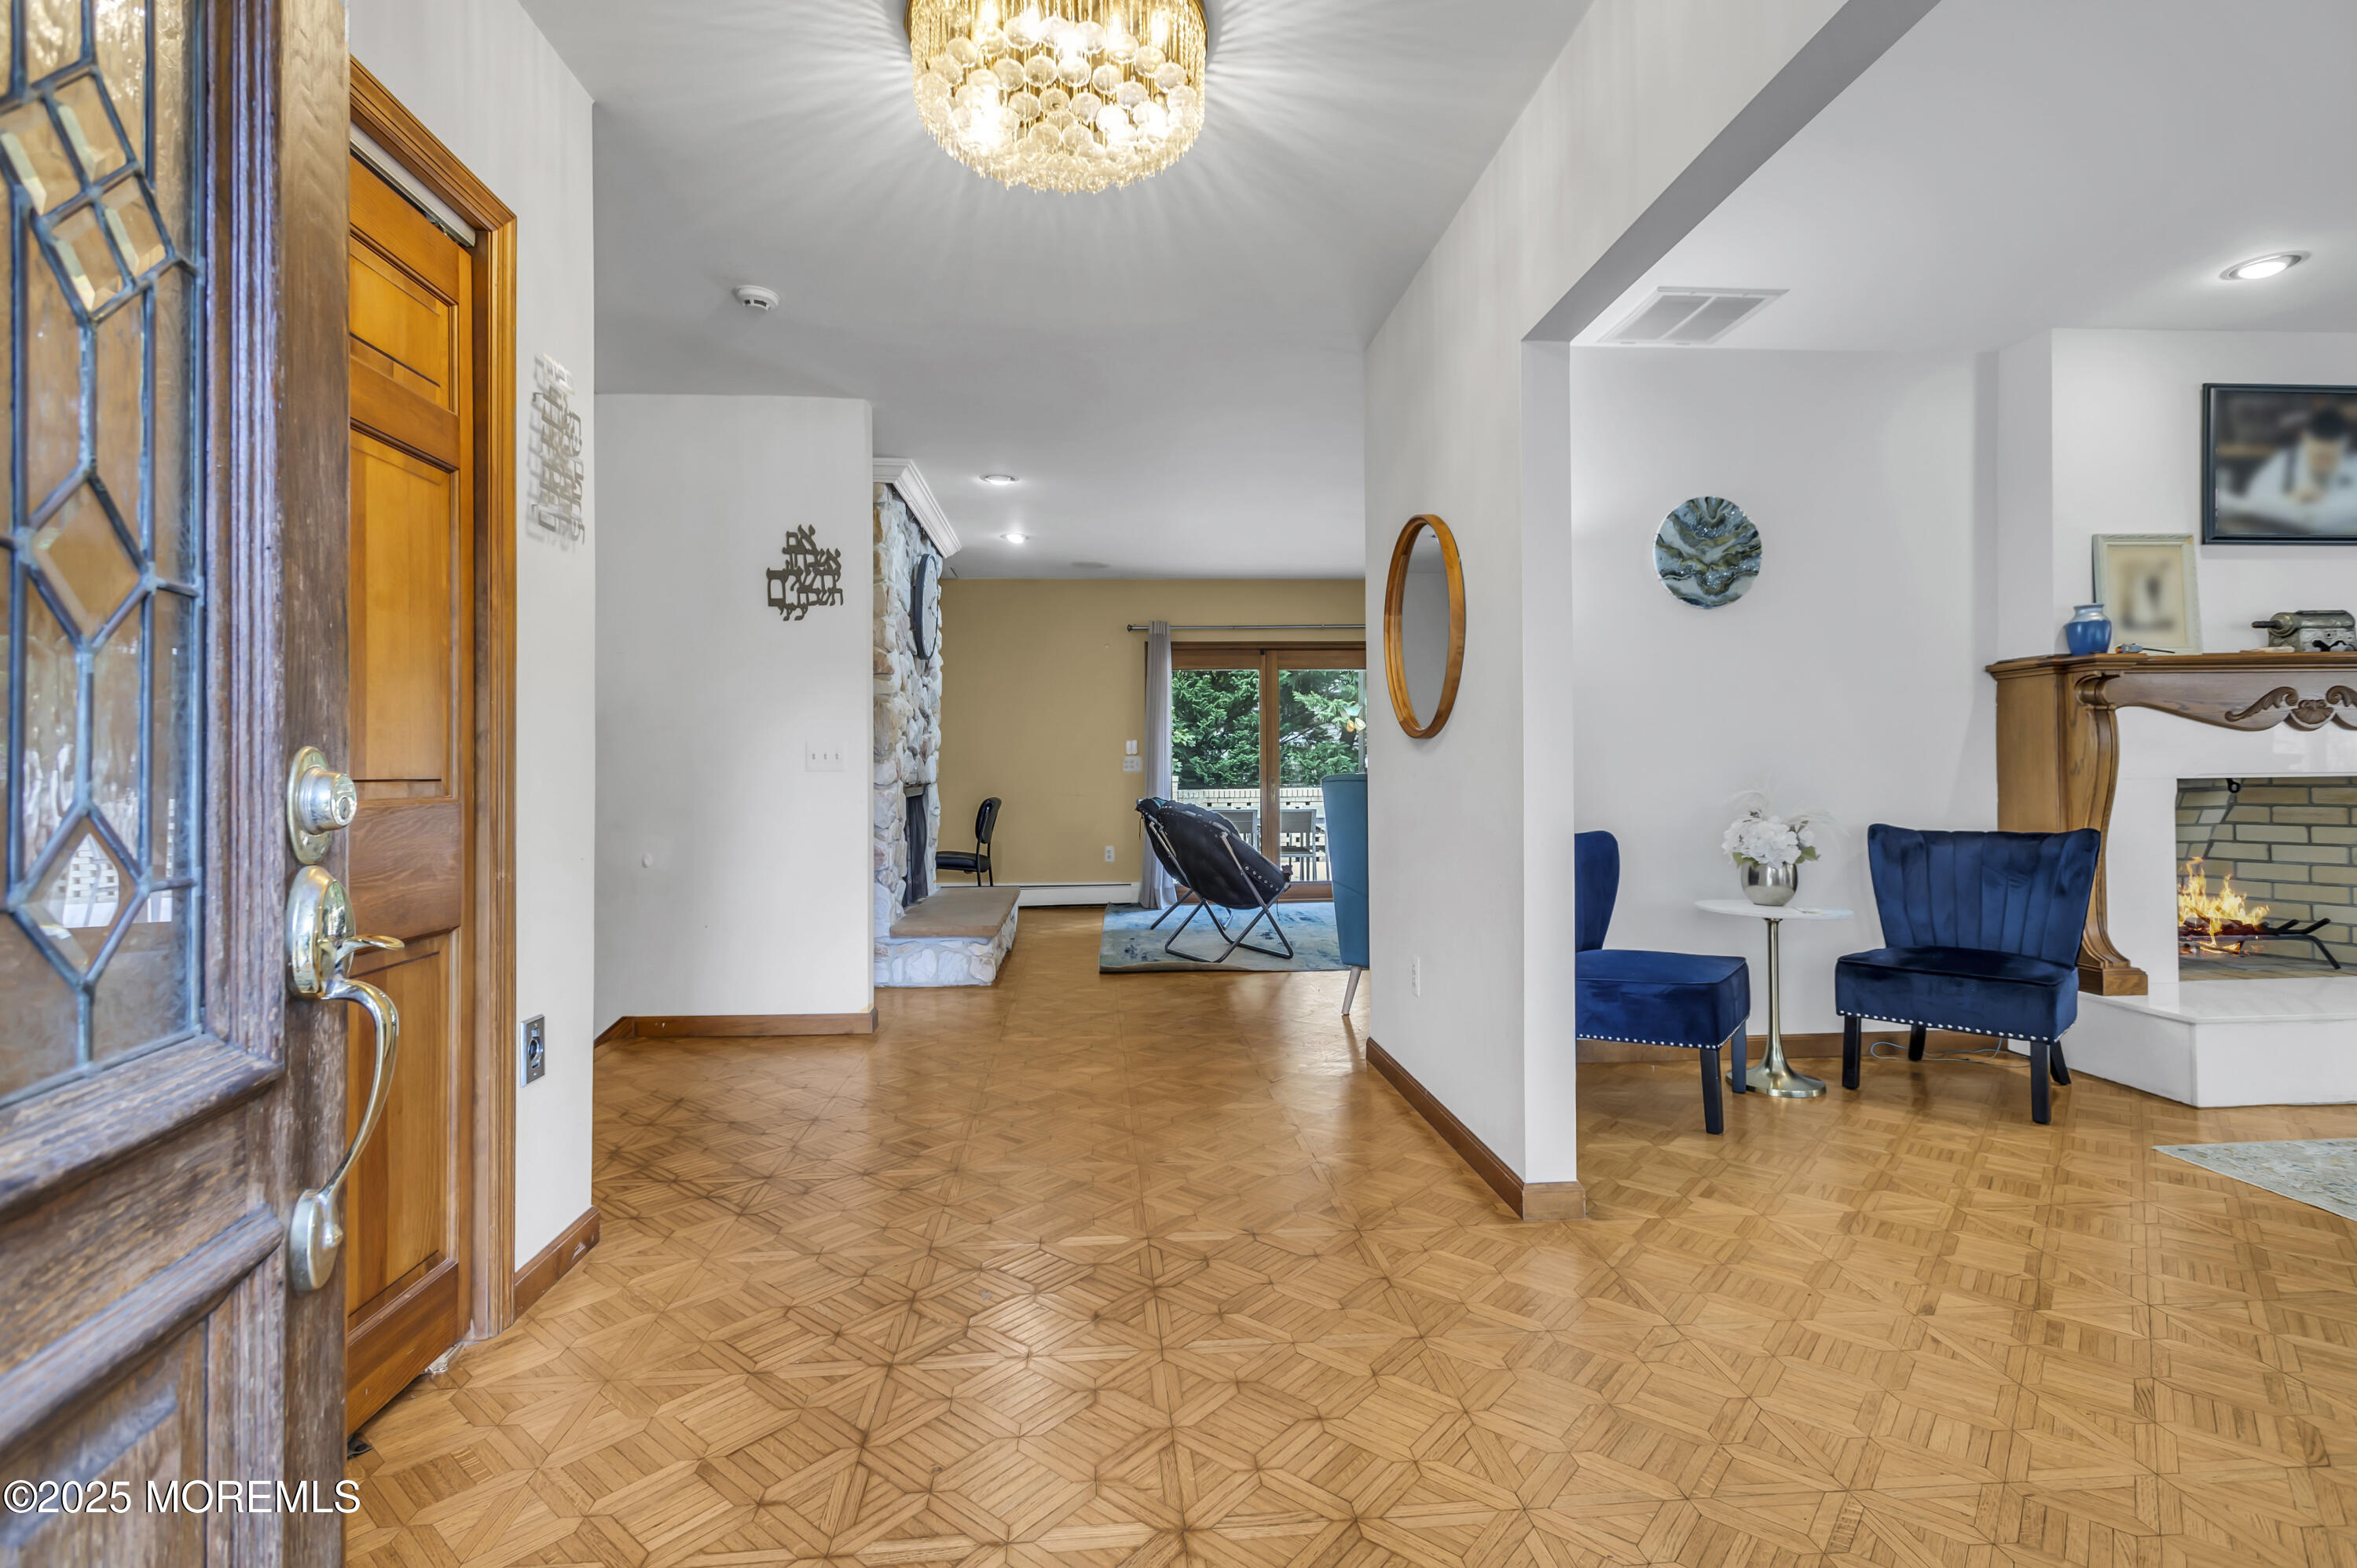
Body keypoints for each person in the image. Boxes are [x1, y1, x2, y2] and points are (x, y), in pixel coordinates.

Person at [2221, 405, 2357, 533]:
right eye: (2318, 455)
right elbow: (2255, 500)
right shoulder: (2286, 461)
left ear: (2343, 447)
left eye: (2330, 457)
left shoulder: (2353, 465)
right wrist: (2291, 500)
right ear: (2306, 441)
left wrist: (2325, 502)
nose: (2323, 463)